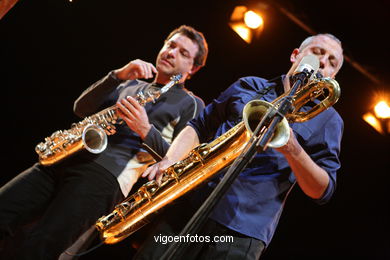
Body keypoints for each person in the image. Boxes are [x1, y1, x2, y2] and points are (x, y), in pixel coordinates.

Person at [0, 24, 208, 259]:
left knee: (39, 248)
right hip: (67, 156)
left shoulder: (192, 104)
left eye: (183, 53)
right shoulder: (132, 82)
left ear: (194, 68)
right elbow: (82, 108)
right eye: (171, 45)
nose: (172, 53)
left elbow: (181, 162)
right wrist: (117, 75)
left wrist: (145, 130)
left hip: (104, 177)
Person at [137, 33, 344, 259]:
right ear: (296, 55)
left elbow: (322, 190)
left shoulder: (329, 120)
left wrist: (292, 149)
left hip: (240, 234)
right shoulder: (249, 84)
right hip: (189, 203)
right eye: (317, 52)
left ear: (332, 75)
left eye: (332, 62)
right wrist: (170, 160)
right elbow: (200, 125)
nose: (323, 62)